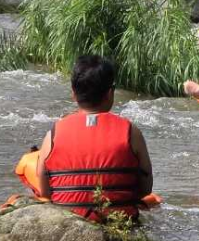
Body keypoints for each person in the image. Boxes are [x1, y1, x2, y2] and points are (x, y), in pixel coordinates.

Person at [34, 55, 153, 222]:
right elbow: (145, 189)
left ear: (74, 94)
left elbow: (45, 192)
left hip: (68, 225)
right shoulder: (132, 133)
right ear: (110, 93)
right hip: (120, 223)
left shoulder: (52, 134)